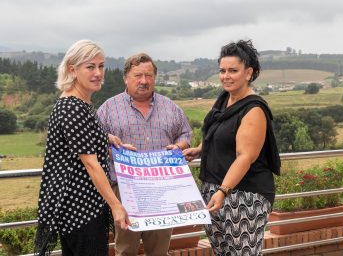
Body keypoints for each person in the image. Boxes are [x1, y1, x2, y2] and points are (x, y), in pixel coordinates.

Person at [183, 40, 281, 255]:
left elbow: (245, 156)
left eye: (233, 70)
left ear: (248, 73)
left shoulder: (253, 109)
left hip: (244, 195)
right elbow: (221, 133)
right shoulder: (224, 100)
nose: (226, 76)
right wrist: (200, 149)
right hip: (215, 190)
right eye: (222, 70)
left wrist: (223, 191)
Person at [34, 40, 131, 256]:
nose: (98, 73)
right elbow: (90, 163)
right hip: (80, 208)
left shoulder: (80, 104)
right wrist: (116, 205)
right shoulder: (72, 108)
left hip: (82, 205)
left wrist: (106, 138)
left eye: (101, 66)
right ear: (72, 69)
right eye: (90, 66)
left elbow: (81, 137)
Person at [97, 53, 192, 256]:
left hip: (162, 190)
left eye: (148, 76)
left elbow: (186, 133)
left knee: (159, 250)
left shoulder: (171, 107)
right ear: (126, 78)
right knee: (126, 249)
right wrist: (113, 152)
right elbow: (95, 142)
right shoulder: (108, 108)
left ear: (154, 78)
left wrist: (179, 146)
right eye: (138, 75)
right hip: (125, 190)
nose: (144, 81)